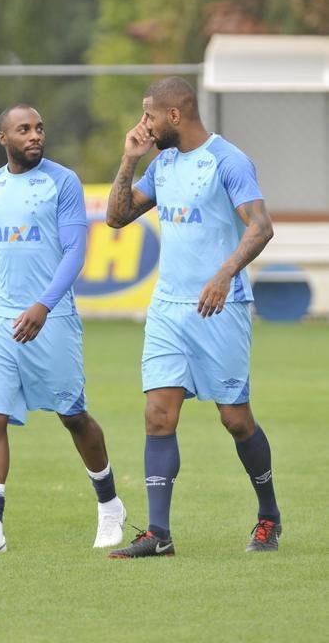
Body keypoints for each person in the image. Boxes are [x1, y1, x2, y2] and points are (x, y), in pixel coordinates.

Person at [106, 76, 281, 558]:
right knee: (158, 414)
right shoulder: (162, 165)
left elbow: (261, 227)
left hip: (220, 307)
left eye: (150, 115)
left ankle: (268, 515)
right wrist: (128, 159)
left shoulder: (228, 161)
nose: (144, 123)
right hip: (168, 308)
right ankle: (158, 534)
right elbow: (116, 218)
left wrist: (224, 274)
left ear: (175, 116)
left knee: (235, 419)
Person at [0, 103, 125, 555]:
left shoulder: (62, 182)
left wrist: (44, 306)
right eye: (23, 129)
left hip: (52, 317)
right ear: (2, 138)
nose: (35, 136)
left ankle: (110, 506)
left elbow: (74, 251)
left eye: (40, 128)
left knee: (73, 416)